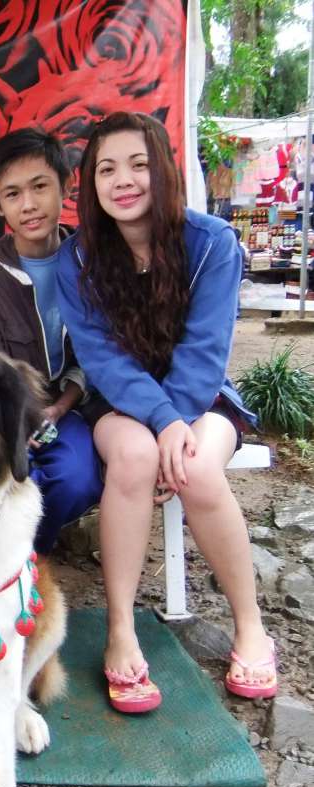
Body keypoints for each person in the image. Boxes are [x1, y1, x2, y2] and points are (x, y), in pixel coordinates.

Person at [56, 112, 275, 714]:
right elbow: (101, 359)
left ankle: (251, 626)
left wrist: (176, 421)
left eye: (138, 164)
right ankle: (121, 629)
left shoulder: (212, 243)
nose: (123, 180)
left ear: (164, 170)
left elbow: (206, 352)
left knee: (197, 466)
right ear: (91, 184)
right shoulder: (77, 258)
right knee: (133, 456)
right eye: (106, 169)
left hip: (201, 396)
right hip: (119, 399)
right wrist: (160, 422)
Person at [0, 128, 102, 554]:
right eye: (13, 194)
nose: (28, 205)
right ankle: (1, 558)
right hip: (4, 413)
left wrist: (61, 406)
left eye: (40, 187)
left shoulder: (94, 262)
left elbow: (100, 351)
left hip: (70, 409)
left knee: (75, 479)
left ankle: (30, 555)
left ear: (66, 186)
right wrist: (23, 417)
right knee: (0, 478)